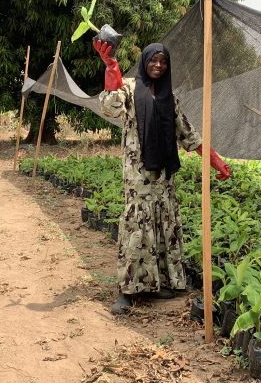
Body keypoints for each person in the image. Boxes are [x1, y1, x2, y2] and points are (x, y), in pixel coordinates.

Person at [95, 39, 231, 315]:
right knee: (138, 226)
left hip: (164, 177)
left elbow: (188, 134)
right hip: (139, 174)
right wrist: (111, 67)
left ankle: (158, 283)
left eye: (163, 61)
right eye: (153, 60)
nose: (158, 65)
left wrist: (215, 160)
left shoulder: (170, 97)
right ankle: (127, 289)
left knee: (163, 224)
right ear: (145, 62)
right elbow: (110, 107)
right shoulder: (131, 88)